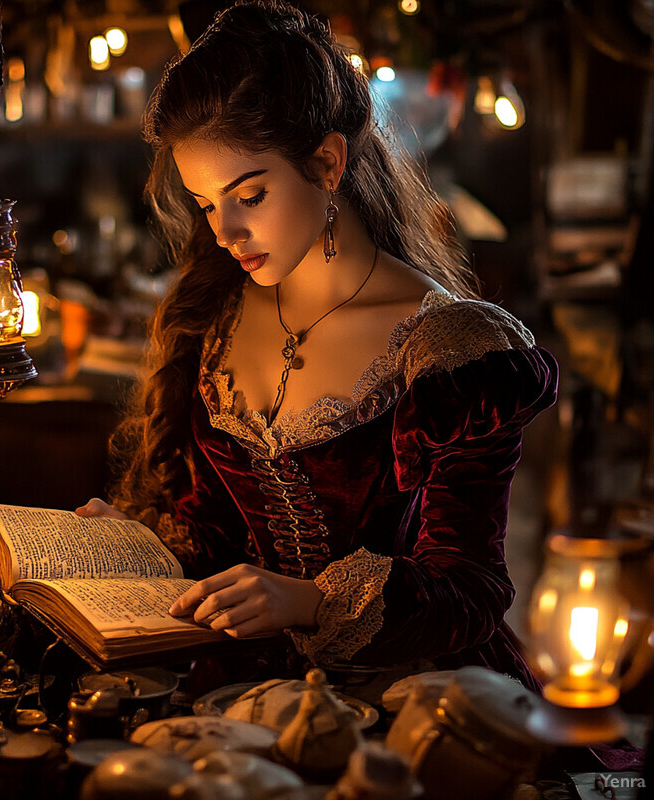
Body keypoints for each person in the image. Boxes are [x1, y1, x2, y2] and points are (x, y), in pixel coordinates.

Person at [77, 0, 557, 688]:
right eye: (208, 203)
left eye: (249, 194)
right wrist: (134, 542)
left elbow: (468, 591)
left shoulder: (454, 352)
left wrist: (307, 602)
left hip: (411, 685)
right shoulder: (216, 317)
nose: (224, 232)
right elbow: (215, 534)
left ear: (327, 162)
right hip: (242, 678)